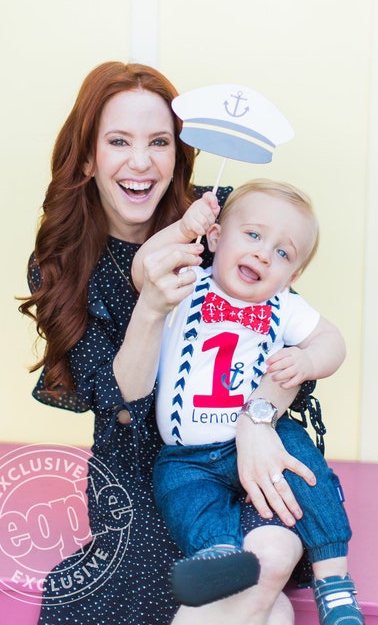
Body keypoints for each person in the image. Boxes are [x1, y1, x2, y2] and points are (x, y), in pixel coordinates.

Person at [19, 61, 336, 625]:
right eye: (119, 141)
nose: (140, 162)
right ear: (89, 157)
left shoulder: (225, 221)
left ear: (179, 152)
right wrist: (152, 307)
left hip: (251, 446)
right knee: (231, 598)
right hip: (145, 472)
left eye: (158, 142)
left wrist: (257, 421)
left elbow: (286, 337)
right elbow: (122, 401)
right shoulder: (63, 266)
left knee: (271, 554)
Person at [133, 180, 363, 624]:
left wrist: (309, 358)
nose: (263, 254)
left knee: (307, 474)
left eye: (283, 253)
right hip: (190, 454)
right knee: (181, 491)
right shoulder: (187, 288)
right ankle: (219, 556)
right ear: (216, 239)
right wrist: (183, 229)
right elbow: (145, 268)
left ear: (292, 276)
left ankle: (333, 580)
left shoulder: (285, 305)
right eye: (253, 235)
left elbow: (332, 340)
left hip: (264, 439)